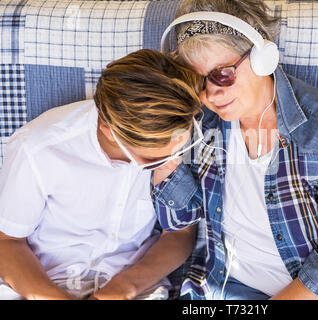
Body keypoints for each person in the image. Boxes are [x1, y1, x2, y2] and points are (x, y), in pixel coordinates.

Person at [153, 0, 318, 300]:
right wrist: (163, 159)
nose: (212, 94)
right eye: (197, 80)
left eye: (222, 74)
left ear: (262, 57)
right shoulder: (200, 125)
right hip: (229, 289)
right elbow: (181, 223)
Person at [0, 49, 204, 300]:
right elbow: (8, 242)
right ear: (109, 130)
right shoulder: (36, 148)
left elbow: (179, 233)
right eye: (152, 161)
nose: (170, 163)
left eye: (180, 145)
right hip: (43, 283)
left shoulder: (170, 131)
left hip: (136, 287)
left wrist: (125, 287)